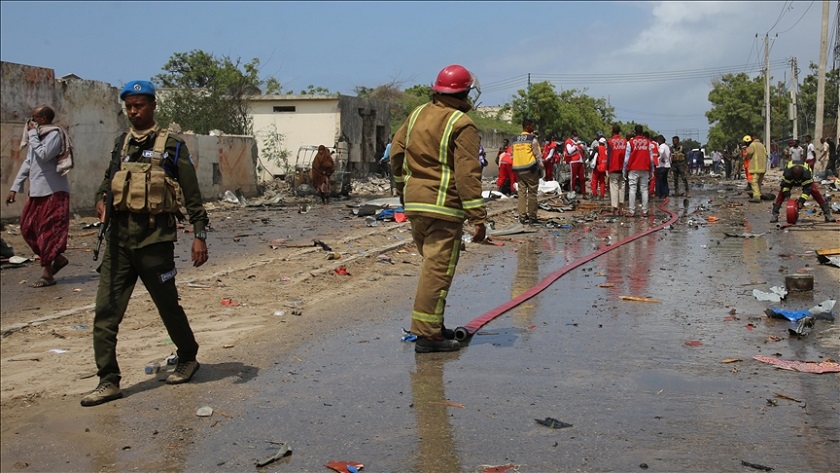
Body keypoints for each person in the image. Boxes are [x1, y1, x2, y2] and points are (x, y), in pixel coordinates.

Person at [81, 80, 210, 407]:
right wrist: (100, 200)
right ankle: (108, 380)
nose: (133, 111)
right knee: (105, 312)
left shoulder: (172, 146)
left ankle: (188, 357)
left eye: (139, 105)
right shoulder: (121, 144)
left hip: (155, 241)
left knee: (167, 306)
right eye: (129, 106)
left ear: (152, 106)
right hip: (119, 242)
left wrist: (199, 236)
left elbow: (193, 198)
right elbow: (106, 184)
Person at [389, 64, 486, 353]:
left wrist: (403, 189)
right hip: (443, 207)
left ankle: (432, 327)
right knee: (438, 271)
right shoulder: (461, 123)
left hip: (416, 205)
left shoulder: (417, 114)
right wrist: (478, 217)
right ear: (465, 91)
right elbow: (467, 174)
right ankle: (428, 337)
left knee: (431, 268)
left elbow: (396, 153)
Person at [6, 105, 71, 288]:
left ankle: (47, 275)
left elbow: (43, 155)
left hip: (54, 192)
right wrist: (15, 187)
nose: (30, 122)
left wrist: (33, 135)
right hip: (37, 192)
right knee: (28, 229)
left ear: (42, 119)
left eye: (33, 118)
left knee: (48, 233)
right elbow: (29, 162)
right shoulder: (38, 136)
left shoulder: (54, 135)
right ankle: (57, 259)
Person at [770, 160, 835, 223]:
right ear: (792, 173)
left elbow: (807, 190)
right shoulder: (787, 173)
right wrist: (787, 195)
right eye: (795, 176)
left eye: (798, 176)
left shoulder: (807, 174)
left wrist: (801, 201)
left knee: (815, 192)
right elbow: (785, 185)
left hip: (804, 180)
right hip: (791, 180)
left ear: (802, 173)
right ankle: (775, 214)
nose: (797, 178)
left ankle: (827, 214)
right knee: (781, 194)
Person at [512, 118, 543, 224]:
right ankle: (532, 217)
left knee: (521, 193)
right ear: (528, 126)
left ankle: (521, 216)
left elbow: (513, 154)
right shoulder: (532, 139)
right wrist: (542, 168)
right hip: (530, 169)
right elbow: (537, 155)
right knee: (532, 193)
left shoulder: (515, 139)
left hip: (518, 169)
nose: (533, 127)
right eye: (532, 125)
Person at [623, 125, 653, 217]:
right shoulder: (648, 143)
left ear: (635, 132)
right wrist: (652, 170)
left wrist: (624, 170)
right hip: (645, 168)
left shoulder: (630, 143)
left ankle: (632, 211)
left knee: (632, 189)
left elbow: (626, 159)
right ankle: (645, 211)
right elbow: (651, 158)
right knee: (644, 189)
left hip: (633, 168)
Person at [606, 124, 627, 215]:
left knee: (614, 187)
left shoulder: (610, 142)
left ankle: (615, 208)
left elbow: (609, 156)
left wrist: (607, 168)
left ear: (612, 131)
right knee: (622, 186)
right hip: (623, 168)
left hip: (613, 167)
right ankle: (621, 207)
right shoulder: (625, 141)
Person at [744, 133, 767, 203]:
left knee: (754, 182)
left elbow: (749, 153)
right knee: (759, 182)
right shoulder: (762, 145)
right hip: (762, 167)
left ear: (753, 138)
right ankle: (759, 194)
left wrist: (746, 156)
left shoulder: (752, 145)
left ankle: (756, 197)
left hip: (756, 167)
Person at [564, 130, 586, 197]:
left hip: (580, 161)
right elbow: (569, 151)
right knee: (573, 178)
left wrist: (582, 146)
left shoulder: (578, 142)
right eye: (575, 136)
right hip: (573, 162)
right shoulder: (568, 142)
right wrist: (575, 146)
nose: (576, 137)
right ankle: (572, 192)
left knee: (582, 178)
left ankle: (584, 193)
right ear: (572, 136)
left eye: (577, 136)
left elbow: (584, 149)